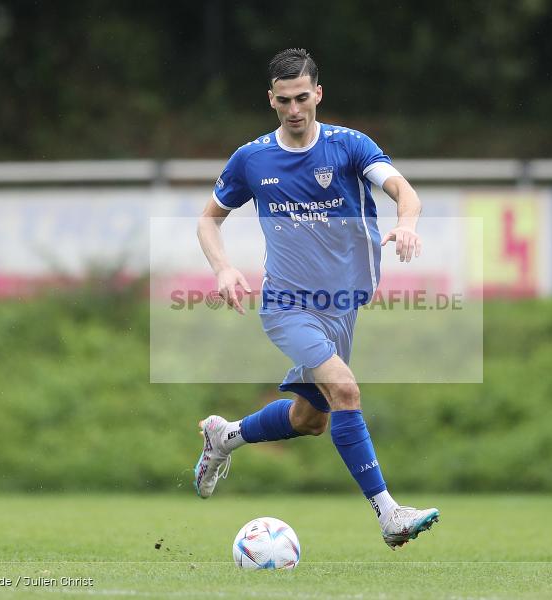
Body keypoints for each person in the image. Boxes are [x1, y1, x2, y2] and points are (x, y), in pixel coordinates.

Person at [194, 48, 439, 549]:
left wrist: (407, 224)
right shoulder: (253, 158)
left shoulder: (349, 147)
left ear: (318, 94)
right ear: (271, 99)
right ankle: (389, 514)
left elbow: (403, 192)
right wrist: (222, 268)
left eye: (302, 97)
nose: (294, 109)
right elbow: (208, 218)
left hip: (342, 308)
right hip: (287, 307)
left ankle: (226, 435)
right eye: (283, 100)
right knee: (345, 390)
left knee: (313, 420)